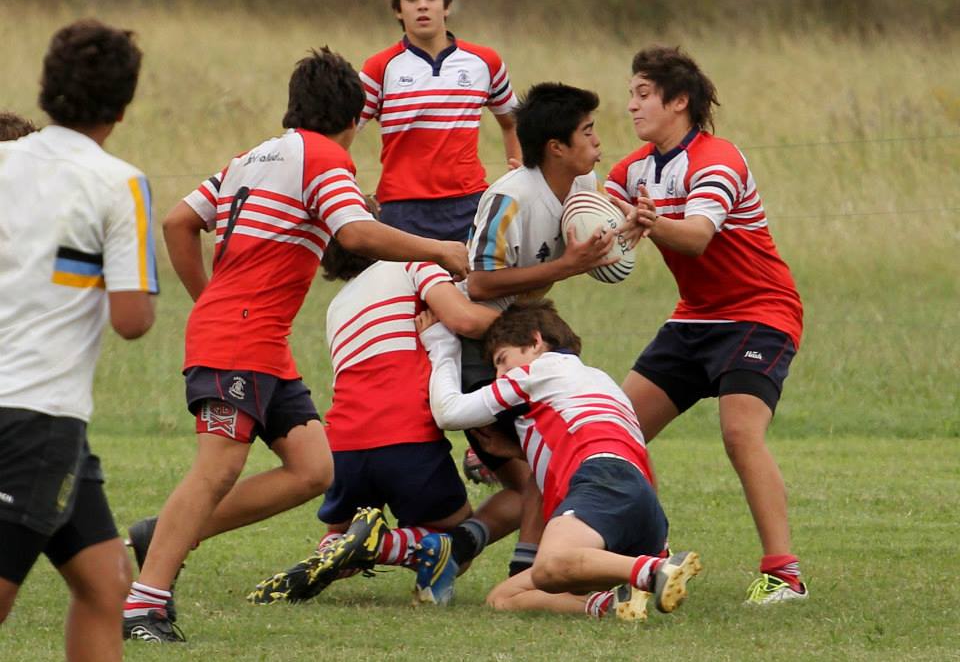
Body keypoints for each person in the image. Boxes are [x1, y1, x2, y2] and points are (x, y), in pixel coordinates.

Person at [122, 47, 470, 644]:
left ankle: (167, 534)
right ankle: (143, 606)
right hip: (240, 336)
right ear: (355, 119)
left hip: (260, 342)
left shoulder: (250, 156)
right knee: (217, 468)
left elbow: (179, 221)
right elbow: (355, 232)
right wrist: (437, 247)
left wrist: (207, 299)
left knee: (314, 468)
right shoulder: (325, 155)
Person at [604, 45, 806, 604]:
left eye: (643, 94)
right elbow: (593, 219)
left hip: (760, 313)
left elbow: (696, 237)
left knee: (740, 433)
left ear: (679, 101)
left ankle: (784, 575)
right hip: (694, 318)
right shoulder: (632, 170)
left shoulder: (718, 159)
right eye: (631, 94)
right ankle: (652, 559)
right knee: (618, 431)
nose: (631, 106)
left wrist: (647, 221)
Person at [0, 19, 156, 662]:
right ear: (123, 105)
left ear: (47, 88)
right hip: (36, 413)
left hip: (47, 419)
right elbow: (132, 319)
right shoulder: (119, 184)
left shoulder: (6, 159)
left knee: (105, 581)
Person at [434, 82, 622, 585]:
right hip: (485, 349)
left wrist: (627, 235)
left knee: (543, 469)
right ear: (556, 147)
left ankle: (468, 554)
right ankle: (522, 572)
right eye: (587, 132)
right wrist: (566, 266)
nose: (597, 141)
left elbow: (597, 245)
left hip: (525, 336)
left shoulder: (582, 185)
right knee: (541, 469)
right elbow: (479, 282)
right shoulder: (509, 198)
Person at [246, 235, 498, 605]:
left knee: (341, 528)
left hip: (342, 444)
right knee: (456, 536)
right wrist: (529, 324)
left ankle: (331, 550)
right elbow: (466, 319)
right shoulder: (413, 264)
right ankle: (382, 545)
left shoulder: (337, 306)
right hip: (406, 435)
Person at [415, 300, 701, 618]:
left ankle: (655, 571)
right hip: (639, 503)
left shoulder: (537, 371)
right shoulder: (598, 381)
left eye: (502, 360)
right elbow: (588, 441)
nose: (499, 374)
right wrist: (517, 451)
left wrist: (440, 345)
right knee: (504, 597)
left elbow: (449, 412)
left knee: (550, 565)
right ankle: (613, 604)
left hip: (601, 481)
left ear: (535, 341)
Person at [359, 0, 521, 242]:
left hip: (470, 205)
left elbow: (513, 121)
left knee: (480, 273)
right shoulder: (379, 68)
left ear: (446, 6)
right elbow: (344, 131)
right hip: (401, 210)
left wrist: (519, 178)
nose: (422, 5)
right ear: (398, 10)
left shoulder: (485, 62)